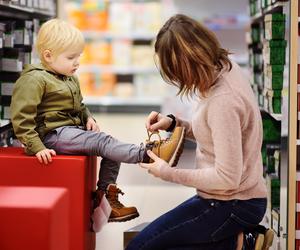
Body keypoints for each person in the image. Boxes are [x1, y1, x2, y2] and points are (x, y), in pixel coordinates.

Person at [10, 19, 185, 225]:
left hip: (69, 131)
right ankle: (148, 153)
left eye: (79, 57)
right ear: (48, 56)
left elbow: (80, 105)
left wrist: (88, 118)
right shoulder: (34, 80)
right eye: (71, 57)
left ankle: (106, 202)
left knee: (111, 148)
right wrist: (37, 146)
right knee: (104, 142)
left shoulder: (68, 77)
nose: (77, 63)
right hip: (50, 136)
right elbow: (21, 118)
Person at [126, 14, 273, 250]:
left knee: (140, 247)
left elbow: (226, 178)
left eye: (176, 72)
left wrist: (168, 173)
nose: (178, 80)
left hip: (234, 204)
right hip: (228, 197)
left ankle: (241, 244)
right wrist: (174, 123)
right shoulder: (224, 67)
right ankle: (238, 242)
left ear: (188, 64)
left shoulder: (223, 100)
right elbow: (215, 133)